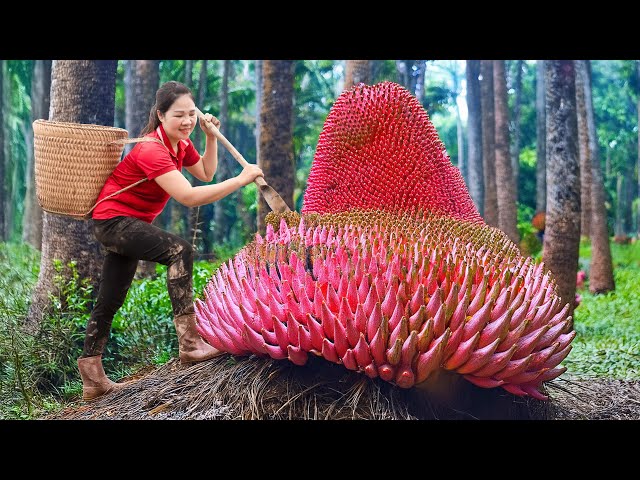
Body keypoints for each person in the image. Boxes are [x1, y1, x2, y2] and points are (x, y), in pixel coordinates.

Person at [77, 80, 264, 401]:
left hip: (128, 224)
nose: (188, 121)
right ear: (161, 116)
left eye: (192, 114)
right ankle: (190, 344)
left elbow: (205, 172)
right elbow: (189, 196)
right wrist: (240, 179)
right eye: (180, 115)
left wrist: (209, 137)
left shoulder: (180, 143)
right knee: (180, 251)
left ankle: (92, 378)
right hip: (113, 221)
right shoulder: (152, 148)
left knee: (110, 297)